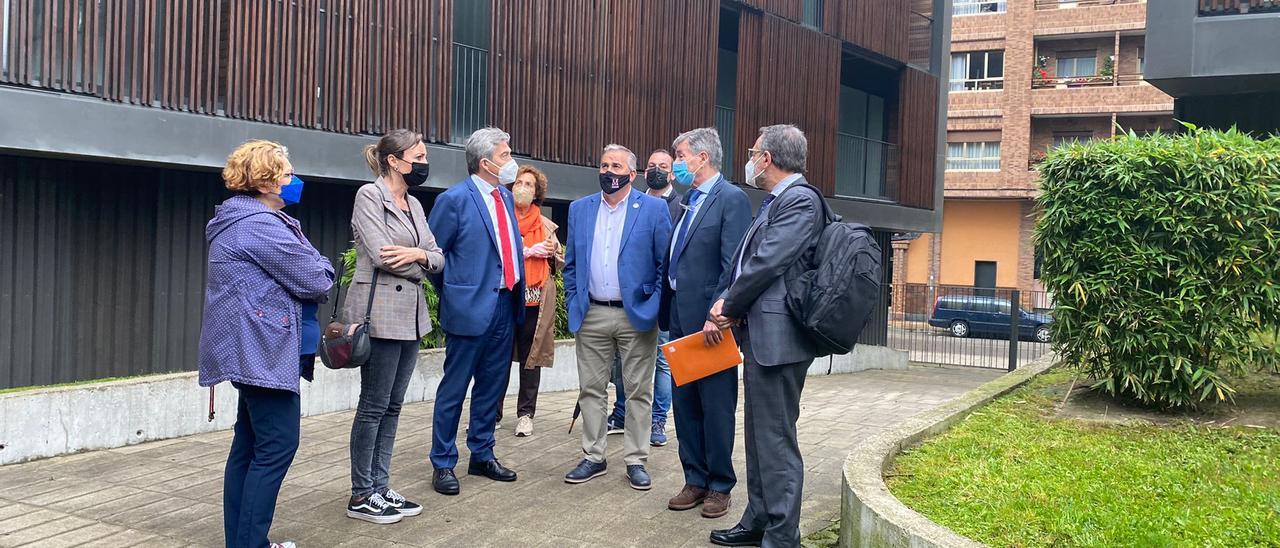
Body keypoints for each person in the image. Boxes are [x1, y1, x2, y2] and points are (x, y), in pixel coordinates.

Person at [198, 140, 334, 548]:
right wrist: (318, 265)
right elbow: (318, 277)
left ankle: (241, 542)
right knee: (276, 447)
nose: (295, 181)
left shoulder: (244, 220)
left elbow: (309, 271)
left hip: (252, 347)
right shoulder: (258, 225)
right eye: (288, 174)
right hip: (263, 350)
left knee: (249, 445)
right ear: (266, 181)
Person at [708, 125, 823, 548]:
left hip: (780, 340)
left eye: (754, 152)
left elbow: (768, 261)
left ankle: (781, 535)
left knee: (775, 439)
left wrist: (729, 305)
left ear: (768, 159)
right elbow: (748, 260)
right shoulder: (778, 200)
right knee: (760, 437)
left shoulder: (800, 201)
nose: (751, 159)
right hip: (762, 337)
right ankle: (757, 519)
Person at [345, 129, 446, 524]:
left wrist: (419, 253)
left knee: (393, 406)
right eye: (417, 156)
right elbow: (384, 256)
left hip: (411, 315)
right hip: (380, 312)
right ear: (394, 160)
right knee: (373, 407)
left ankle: (381, 485)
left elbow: (438, 257)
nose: (423, 163)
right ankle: (361, 493)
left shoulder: (416, 205)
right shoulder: (369, 196)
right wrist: (419, 258)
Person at [562, 144, 672, 491]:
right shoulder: (580, 209)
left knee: (639, 390)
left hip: (635, 315)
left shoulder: (652, 209)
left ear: (632, 174)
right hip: (592, 312)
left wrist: (653, 306)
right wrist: (574, 298)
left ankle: (636, 460)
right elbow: (572, 264)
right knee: (591, 389)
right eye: (604, 164)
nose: (609, 171)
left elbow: (662, 264)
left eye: (617, 166)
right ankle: (593, 456)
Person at [427, 127, 525, 496]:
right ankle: (443, 461)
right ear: (485, 163)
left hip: (505, 303)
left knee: (492, 386)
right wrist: (457, 295)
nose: (511, 160)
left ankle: (482, 453)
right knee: (455, 388)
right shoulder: (454, 200)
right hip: (469, 309)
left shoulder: (504, 196)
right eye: (505, 155)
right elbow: (434, 258)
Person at [662, 128, 752, 520]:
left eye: (680, 155)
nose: (676, 163)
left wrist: (719, 311)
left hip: (711, 324)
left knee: (716, 405)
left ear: (702, 157)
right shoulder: (684, 201)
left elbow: (734, 262)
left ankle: (719, 485)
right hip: (680, 317)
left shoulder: (730, 198)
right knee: (685, 404)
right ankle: (694, 478)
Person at [607, 148, 681, 446]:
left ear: (672, 172)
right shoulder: (630, 200)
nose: (656, 170)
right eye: (651, 165)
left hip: (660, 298)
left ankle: (658, 419)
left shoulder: (681, 205)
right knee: (623, 361)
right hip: (629, 298)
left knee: (663, 361)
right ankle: (623, 411)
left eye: (663, 166)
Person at [496, 165, 564, 437]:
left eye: (529, 185)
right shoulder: (500, 217)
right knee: (497, 358)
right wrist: (526, 251)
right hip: (505, 298)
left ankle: (526, 414)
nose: (523, 188)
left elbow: (559, 261)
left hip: (535, 300)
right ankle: (492, 414)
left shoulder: (545, 224)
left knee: (530, 358)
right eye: (519, 183)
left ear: (537, 193)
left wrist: (551, 252)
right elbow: (496, 253)